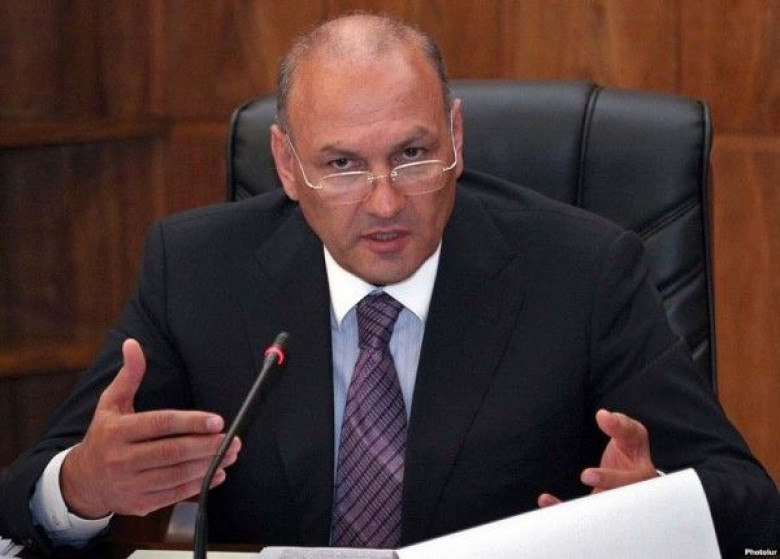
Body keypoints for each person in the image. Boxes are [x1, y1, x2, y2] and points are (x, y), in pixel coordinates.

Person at [0, 12, 777, 557]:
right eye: (341, 164)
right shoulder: (197, 270)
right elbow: (23, 496)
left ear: (456, 137)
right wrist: (83, 485)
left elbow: (750, 503)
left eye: (412, 154)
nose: (383, 201)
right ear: (285, 165)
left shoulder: (585, 272)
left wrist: (656, 508)